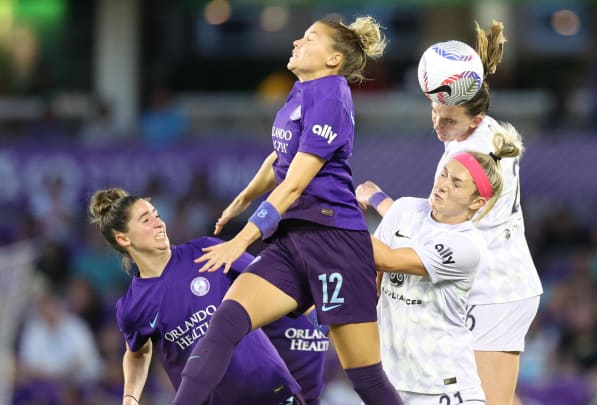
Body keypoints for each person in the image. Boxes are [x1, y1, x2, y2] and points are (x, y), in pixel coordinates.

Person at [173, 16, 403, 405]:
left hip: (335, 243)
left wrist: (241, 240)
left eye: (310, 37)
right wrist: (244, 197)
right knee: (224, 324)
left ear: (333, 59)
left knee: (366, 379)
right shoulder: (301, 90)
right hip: (292, 239)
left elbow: (296, 182)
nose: (297, 40)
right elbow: (280, 155)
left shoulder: (332, 96)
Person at [356, 20, 543, 405]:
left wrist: (376, 200)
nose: (438, 125)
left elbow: (429, 226)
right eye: (435, 112)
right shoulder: (480, 129)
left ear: (473, 120)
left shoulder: (468, 159)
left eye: (449, 120)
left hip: (497, 291)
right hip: (488, 284)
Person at [88, 187, 317, 405]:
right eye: (146, 220)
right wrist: (131, 398)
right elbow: (138, 352)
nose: (159, 223)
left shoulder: (207, 251)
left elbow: (278, 282)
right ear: (124, 239)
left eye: (157, 215)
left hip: (270, 391)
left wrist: (321, 318)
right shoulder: (132, 307)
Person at [371, 126, 523, 404]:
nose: (441, 185)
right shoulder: (404, 209)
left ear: (477, 202)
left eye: (456, 183)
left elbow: (386, 259)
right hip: (390, 382)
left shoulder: (467, 246)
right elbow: (374, 272)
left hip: (443, 390)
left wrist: (338, 214)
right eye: (444, 173)